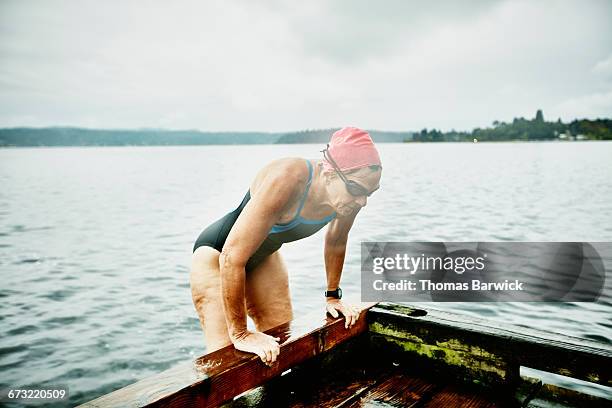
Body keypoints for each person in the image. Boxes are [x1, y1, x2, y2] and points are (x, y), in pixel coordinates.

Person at [190, 127, 382, 366]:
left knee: (283, 344)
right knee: (225, 359)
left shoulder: (349, 196)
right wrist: (241, 334)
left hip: (264, 258)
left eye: (369, 194)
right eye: (357, 190)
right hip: (217, 256)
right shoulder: (289, 177)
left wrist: (333, 297)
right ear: (331, 173)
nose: (361, 202)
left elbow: (336, 241)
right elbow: (231, 257)